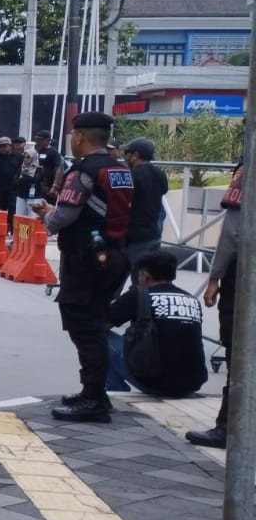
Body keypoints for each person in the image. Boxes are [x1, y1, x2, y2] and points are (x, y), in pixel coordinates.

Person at [32, 112, 134, 423]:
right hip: (115, 256)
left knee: (84, 326)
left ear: (79, 136)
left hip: (86, 259)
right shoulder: (121, 169)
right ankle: (95, 392)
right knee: (96, 321)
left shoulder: (83, 171)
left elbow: (65, 216)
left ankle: (93, 398)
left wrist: (47, 216)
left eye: (73, 136)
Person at [187, 163, 243, 449]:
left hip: (245, 279)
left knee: (240, 357)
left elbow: (233, 232)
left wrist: (214, 277)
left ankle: (228, 429)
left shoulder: (248, 171)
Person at [104, 250, 208, 397]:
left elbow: (99, 324)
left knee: (97, 337)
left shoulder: (138, 295)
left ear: (145, 275)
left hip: (155, 383)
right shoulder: (191, 299)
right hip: (192, 383)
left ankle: (114, 391)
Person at [122, 137, 167, 271]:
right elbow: (164, 190)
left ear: (135, 155)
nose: (125, 158)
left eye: (127, 154)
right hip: (154, 234)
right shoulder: (160, 174)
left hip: (135, 236)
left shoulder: (132, 175)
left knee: (128, 280)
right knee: (147, 278)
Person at [0, 136, 21, 216]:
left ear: (10, 146)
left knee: (12, 208)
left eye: (5, 146)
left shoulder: (18, 156)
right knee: (1, 209)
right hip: (0, 188)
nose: (2, 148)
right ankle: (3, 227)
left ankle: (11, 226)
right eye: (1, 146)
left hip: (14, 188)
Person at [34, 129, 63, 202]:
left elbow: (58, 169)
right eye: (37, 139)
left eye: (40, 140)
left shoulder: (54, 153)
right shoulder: (37, 151)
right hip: (37, 185)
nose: (38, 141)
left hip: (48, 185)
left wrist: (55, 186)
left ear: (47, 140)